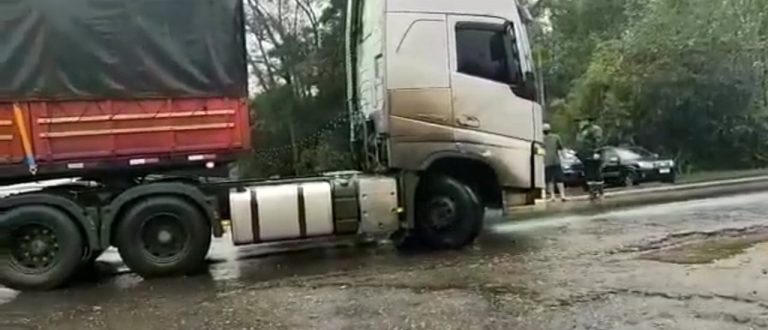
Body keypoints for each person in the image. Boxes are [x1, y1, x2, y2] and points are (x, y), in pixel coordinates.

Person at [575, 117, 605, 198]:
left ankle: (600, 192)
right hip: (585, 155)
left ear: (588, 121)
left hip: (593, 154)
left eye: (582, 121)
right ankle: (592, 192)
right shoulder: (581, 132)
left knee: (596, 173)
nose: (580, 123)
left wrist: (597, 151)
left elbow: (598, 140)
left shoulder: (595, 129)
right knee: (589, 175)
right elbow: (580, 143)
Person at [543, 123, 567, 201]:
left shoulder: (542, 139)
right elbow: (561, 148)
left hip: (549, 162)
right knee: (556, 179)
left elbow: (561, 147)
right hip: (553, 161)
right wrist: (564, 156)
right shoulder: (555, 137)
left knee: (551, 180)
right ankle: (559, 195)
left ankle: (555, 196)